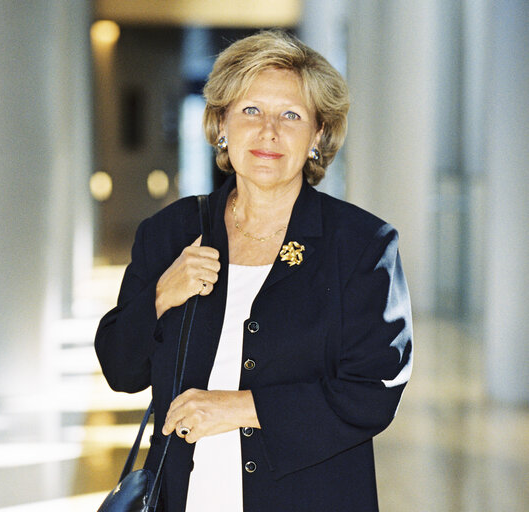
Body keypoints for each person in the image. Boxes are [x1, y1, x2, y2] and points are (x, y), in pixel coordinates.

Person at [95, 29, 412, 511]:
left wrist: (239, 407)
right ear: (221, 125)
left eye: (291, 115)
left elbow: (373, 390)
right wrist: (162, 293)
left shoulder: (363, 245)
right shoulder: (170, 232)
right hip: (185, 496)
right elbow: (121, 369)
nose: (269, 132)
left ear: (318, 135)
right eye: (250, 111)